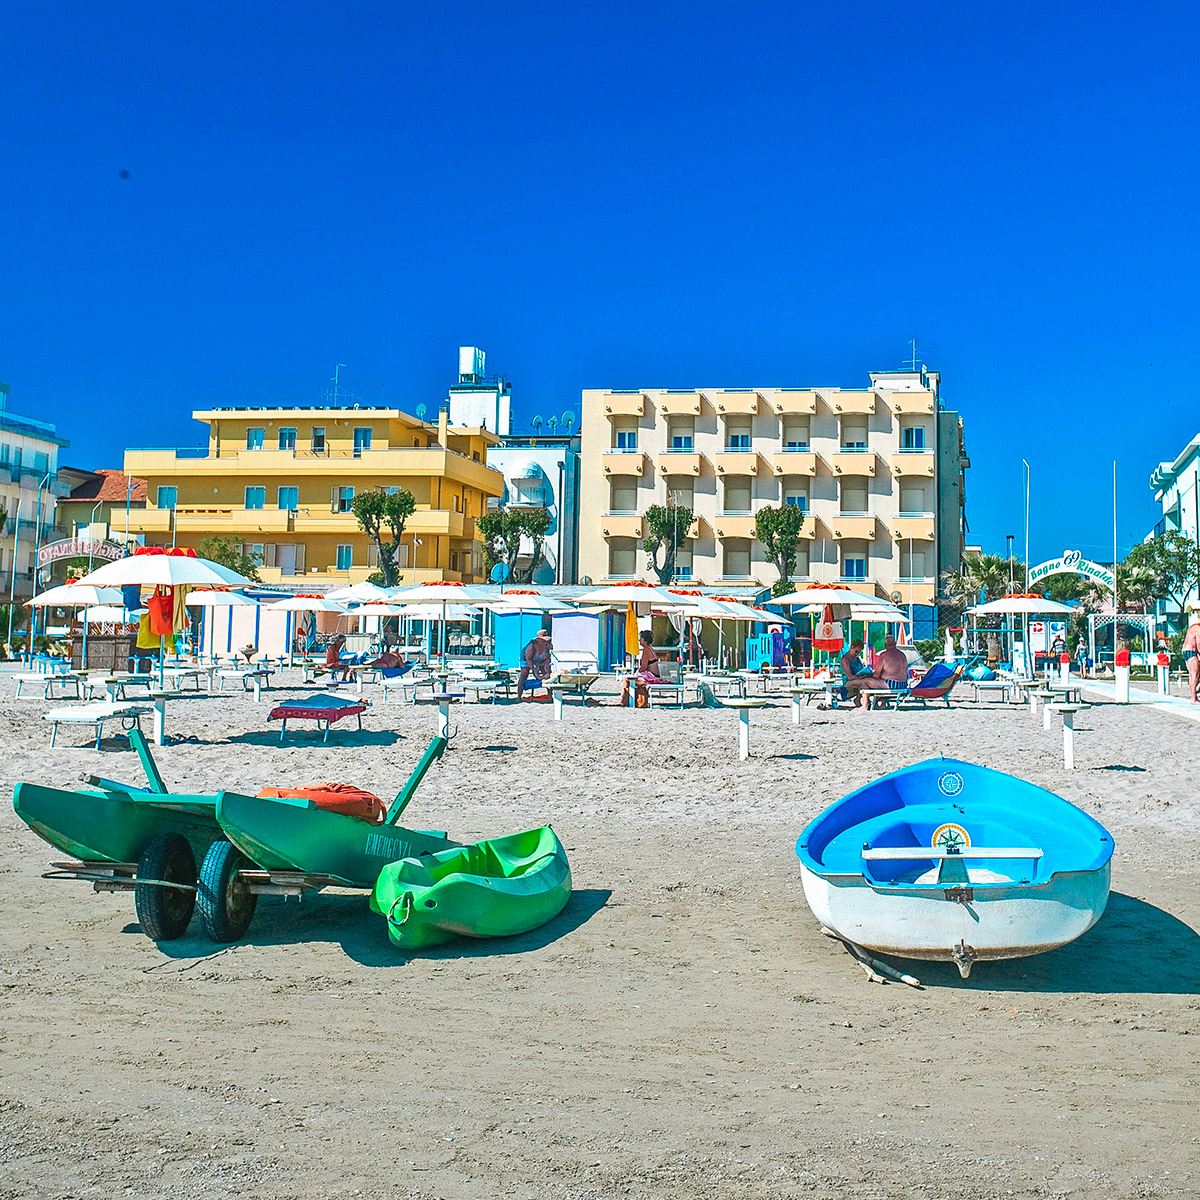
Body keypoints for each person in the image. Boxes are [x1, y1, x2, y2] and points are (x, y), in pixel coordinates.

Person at [620, 630, 667, 706]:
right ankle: (626, 700)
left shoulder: (646, 650)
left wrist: (636, 673)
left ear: (645, 640)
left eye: (641, 638)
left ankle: (623, 700)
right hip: (654, 676)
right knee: (629, 679)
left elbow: (644, 667)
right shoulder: (650, 649)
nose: (639, 640)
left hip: (652, 678)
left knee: (625, 679)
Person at [517, 628, 553, 699]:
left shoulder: (549, 645)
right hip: (526, 659)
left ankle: (550, 696)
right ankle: (519, 696)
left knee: (547, 674)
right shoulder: (532, 646)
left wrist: (546, 667)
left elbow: (548, 658)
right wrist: (534, 669)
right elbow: (528, 659)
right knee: (524, 673)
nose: (544, 642)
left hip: (541, 659)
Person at [838, 639, 876, 707]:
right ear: (851, 647)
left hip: (858, 679)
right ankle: (863, 701)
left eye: (858, 652)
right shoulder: (845, 660)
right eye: (856, 651)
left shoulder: (857, 659)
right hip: (848, 682)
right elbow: (849, 677)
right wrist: (861, 677)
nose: (857, 654)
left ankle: (860, 700)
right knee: (866, 682)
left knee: (870, 681)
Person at [1183, 610, 1200, 703]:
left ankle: (1193, 696)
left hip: (1187, 651)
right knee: (1195, 675)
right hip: (1191, 651)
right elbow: (1199, 644)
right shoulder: (1198, 628)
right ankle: (1194, 698)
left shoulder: (1193, 627)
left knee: (1192, 675)